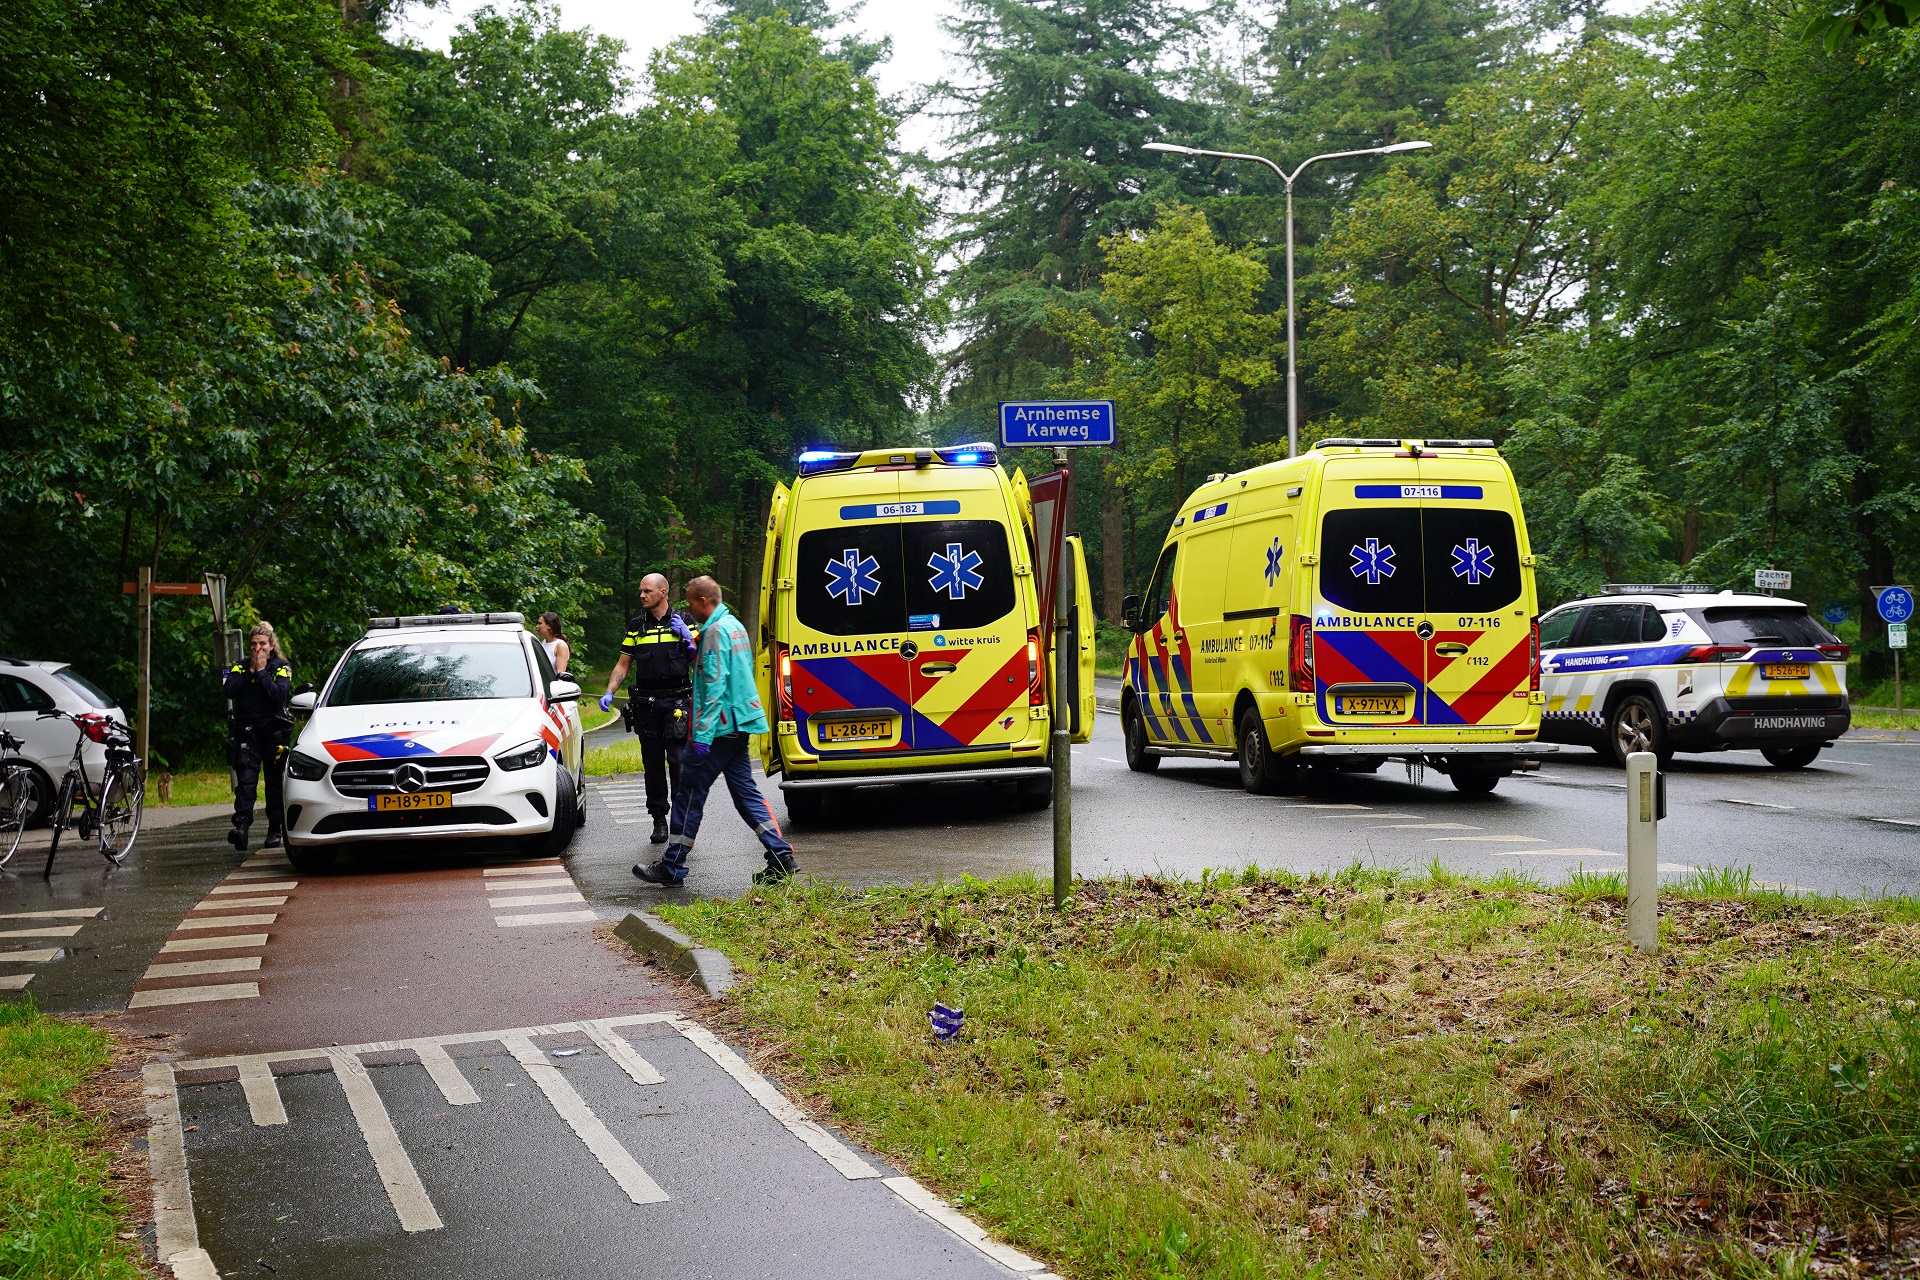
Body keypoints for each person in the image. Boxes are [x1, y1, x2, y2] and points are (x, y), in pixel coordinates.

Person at [632, 576, 798, 887]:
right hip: (739, 725)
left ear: (703, 601)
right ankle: (781, 856)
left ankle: (672, 867)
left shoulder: (714, 632)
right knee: (746, 795)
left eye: (692, 603)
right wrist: (692, 649)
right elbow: (728, 670)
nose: (689, 610)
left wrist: (702, 738)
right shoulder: (734, 626)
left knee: (688, 796)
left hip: (718, 729)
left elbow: (713, 686)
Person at [599, 574, 697, 844]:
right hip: (647, 704)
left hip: (678, 703)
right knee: (652, 765)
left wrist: (689, 638)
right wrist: (610, 691)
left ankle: (680, 822)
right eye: (640, 591)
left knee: (678, 763)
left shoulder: (685, 621)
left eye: (647, 591)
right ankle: (659, 820)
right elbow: (623, 663)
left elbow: (701, 660)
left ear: (663, 592)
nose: (642, 595)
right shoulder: (636, 626)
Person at [222, 622, 293, 851]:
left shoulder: (281, 667)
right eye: (253, 644)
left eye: (262, 644)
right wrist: (251, 671)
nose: (257, 648)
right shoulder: (240, 667)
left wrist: (262, 672)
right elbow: (229, 690)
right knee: (246, 782)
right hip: (247, 733)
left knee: (274, 784)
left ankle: (275, 829)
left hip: (274, 733)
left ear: (271, 646)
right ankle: (241, 827)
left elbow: (279, 696)